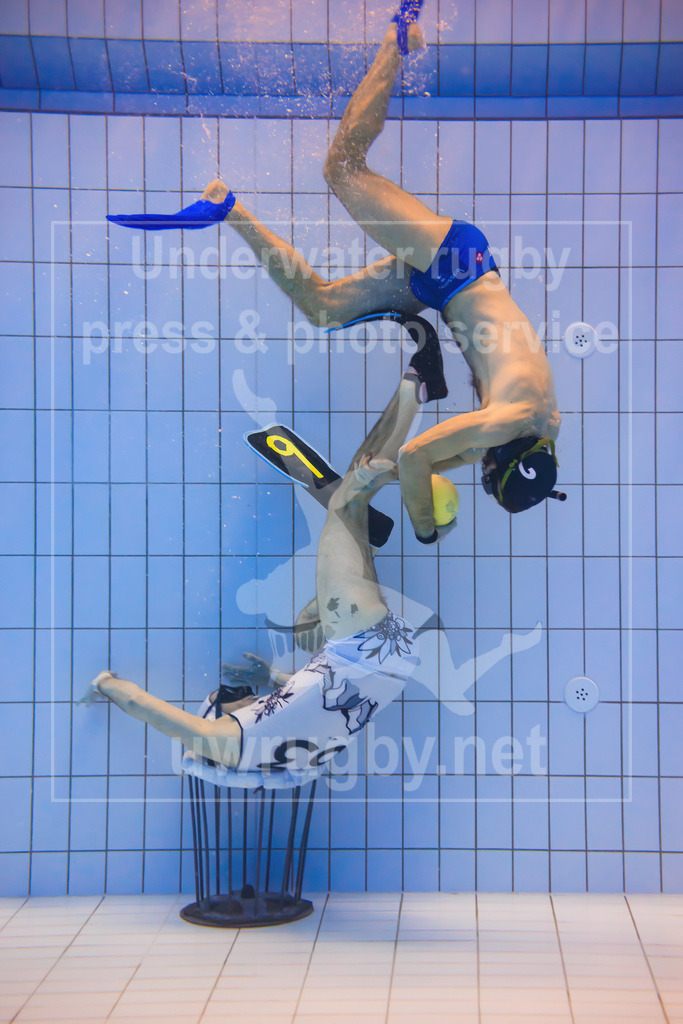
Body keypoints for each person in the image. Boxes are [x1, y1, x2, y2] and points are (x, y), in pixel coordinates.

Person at [108, 7, 563, 539]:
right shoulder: (514, 419)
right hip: (457, 262)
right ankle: (398, 37)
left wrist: (371, 479)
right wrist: (424, 526)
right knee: (342, 168)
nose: (481, 465)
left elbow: (439, 458)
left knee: (322, 308)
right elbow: (418, 456)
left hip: (443, 288)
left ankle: (226, 207)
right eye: (489, 471)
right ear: (510, 459)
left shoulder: (537, 429)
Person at [85, 370, 429, 788]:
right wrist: (104, 685)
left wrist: (271, 678)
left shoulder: (292, 763)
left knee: (308, 625)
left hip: (394, 660)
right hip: (360, 644)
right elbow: (143, 707)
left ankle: (362, 545)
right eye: (229, 700)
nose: (242, 698)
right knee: (349, 498)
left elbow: (313, 705)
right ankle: (414, 391)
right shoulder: (224, 742)